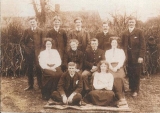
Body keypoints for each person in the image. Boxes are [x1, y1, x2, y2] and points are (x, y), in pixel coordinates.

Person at [121, 17, 145, 97]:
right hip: (128, 56)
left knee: (136, 73)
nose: (131, 23)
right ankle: (131, 88)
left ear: (135, 23)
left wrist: (141, 56)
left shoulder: (139, 32)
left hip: (137, 57)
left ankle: (136, 90)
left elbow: (143, 45)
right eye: (130, 22)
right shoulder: (124, 33)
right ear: (128, 23)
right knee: (130, 72)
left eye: (132, 22)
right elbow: (122, 45)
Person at [20, 17, 43, 90]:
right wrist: (26, 49)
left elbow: (43, 43)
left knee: (38, 68)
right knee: (29, 68)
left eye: (33, 22)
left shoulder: (41, 31)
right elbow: (22, 42)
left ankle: (40, 84)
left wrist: (41, 52)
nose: (32, 23)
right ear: (29, 23)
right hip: (29, 53)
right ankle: (30, 85)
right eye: (31, 22)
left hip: (38, 53)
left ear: (36, 22)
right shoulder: (26, 31)